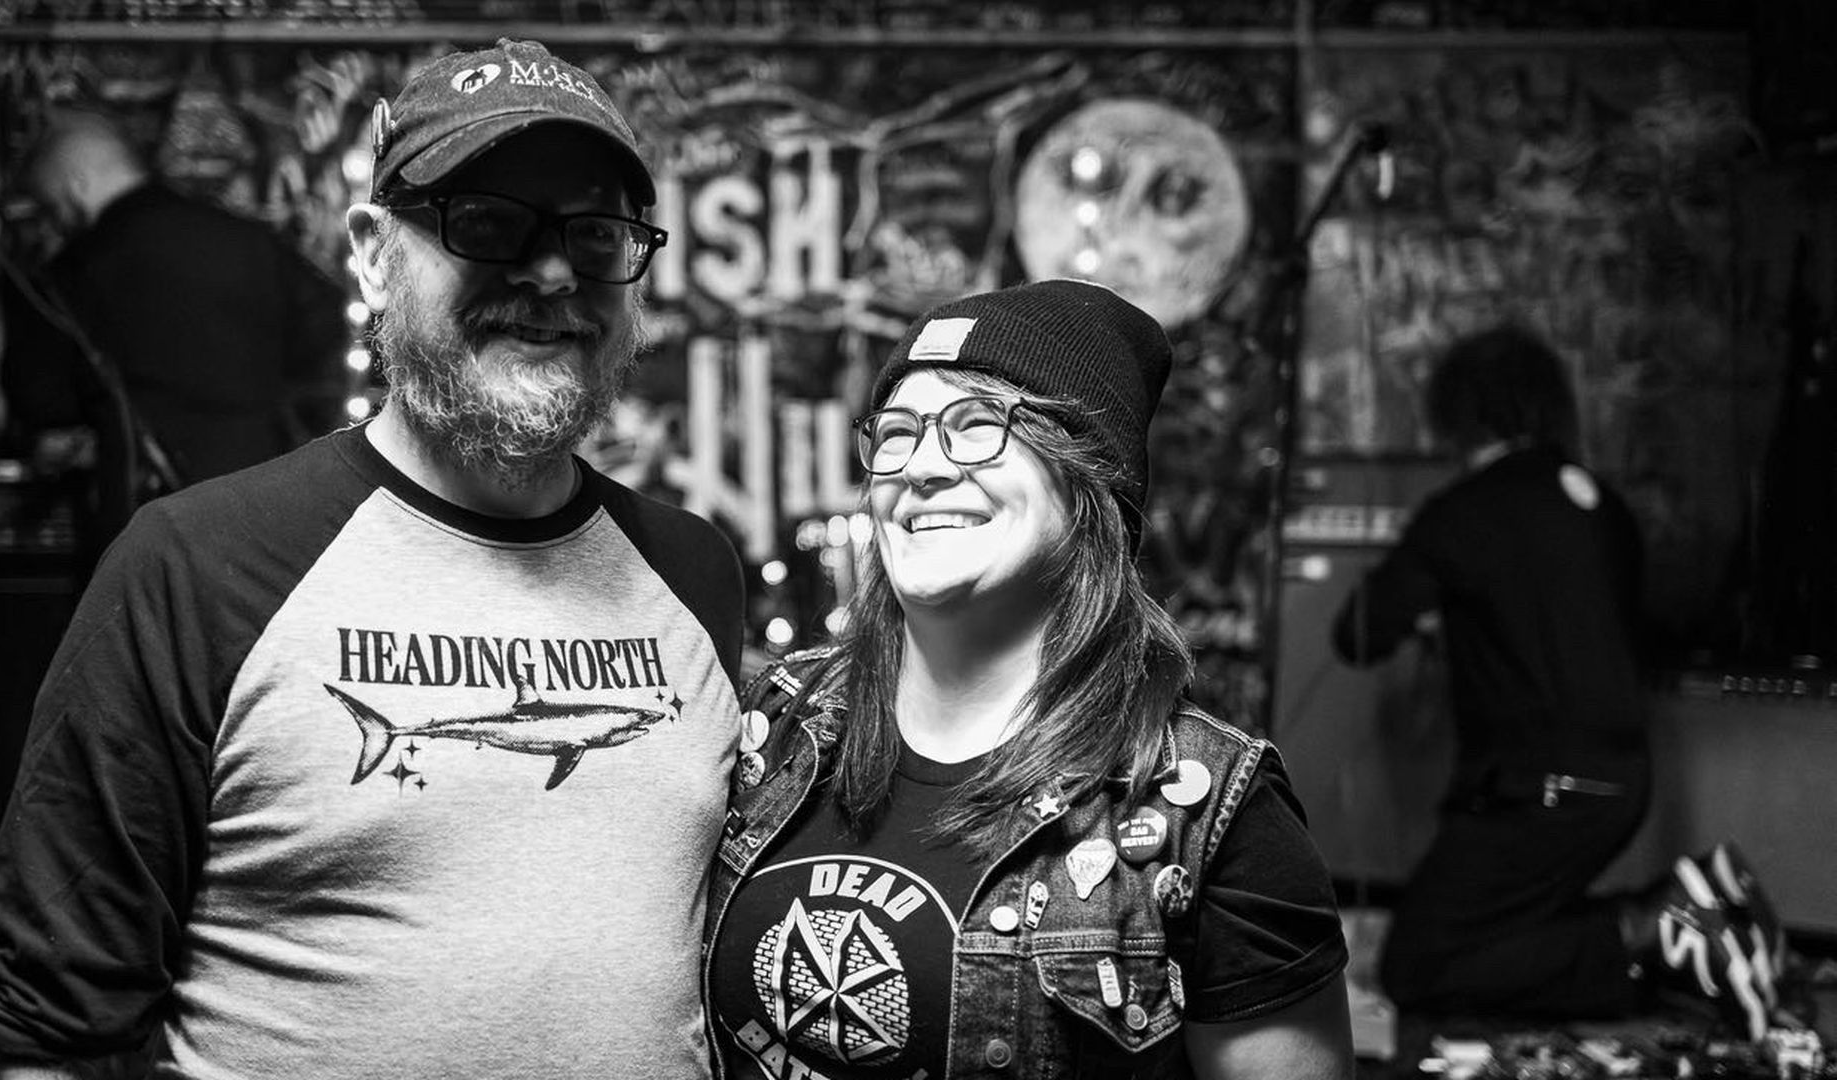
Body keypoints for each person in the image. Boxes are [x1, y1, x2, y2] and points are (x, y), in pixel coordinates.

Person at [0, 38, 745, 1079]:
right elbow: (52, 1033)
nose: (554, 271)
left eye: (596, 232)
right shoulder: (196, 567)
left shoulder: (695, 572)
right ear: (373, 255)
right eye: (487, 223)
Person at [705, 279, 1354, 1079]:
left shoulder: (1207, 807)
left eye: (977, 427)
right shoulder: (782, 722)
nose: (922, 469)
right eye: (898, 434)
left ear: (1090, 483)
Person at [1330, 325, 1781, 1038]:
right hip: (1620, 780)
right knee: (1508, 925)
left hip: (1537, 788)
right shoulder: (1603, 505)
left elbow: (1357, 633)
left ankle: (1654, 924)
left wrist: (1427, 609)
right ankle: (1685, 916)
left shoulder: (1464, 510)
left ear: (1461, 412)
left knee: (1420, 966)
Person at [0, 108, 349, 550]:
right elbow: (328, 328)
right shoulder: (248, 240)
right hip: (264, 488)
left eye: (54, 207)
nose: (58, 223)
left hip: (141, 506)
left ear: (78, 184)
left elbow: (38, 397)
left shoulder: (75, 269)